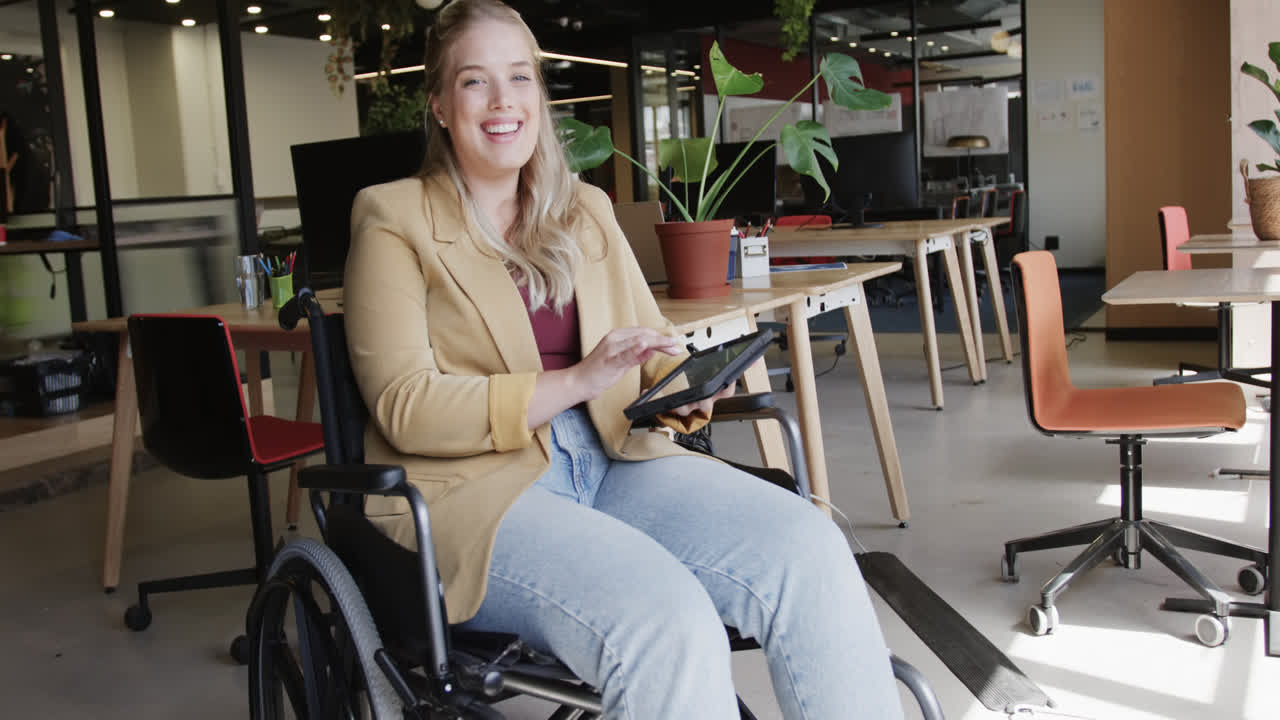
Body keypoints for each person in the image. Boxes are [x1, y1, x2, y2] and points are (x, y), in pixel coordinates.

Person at [343, 1, 903, 717]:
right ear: (441, 106)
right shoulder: (393, 217)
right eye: (475, 82)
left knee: (810, 551)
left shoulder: (583, 209)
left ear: (541, 96)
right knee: (664, 619)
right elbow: (405, 406)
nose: (503, 100)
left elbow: (643, 346)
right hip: (478, 490)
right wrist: (575, 380)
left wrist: (676, 386)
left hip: (612, 457)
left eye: (519, 77)